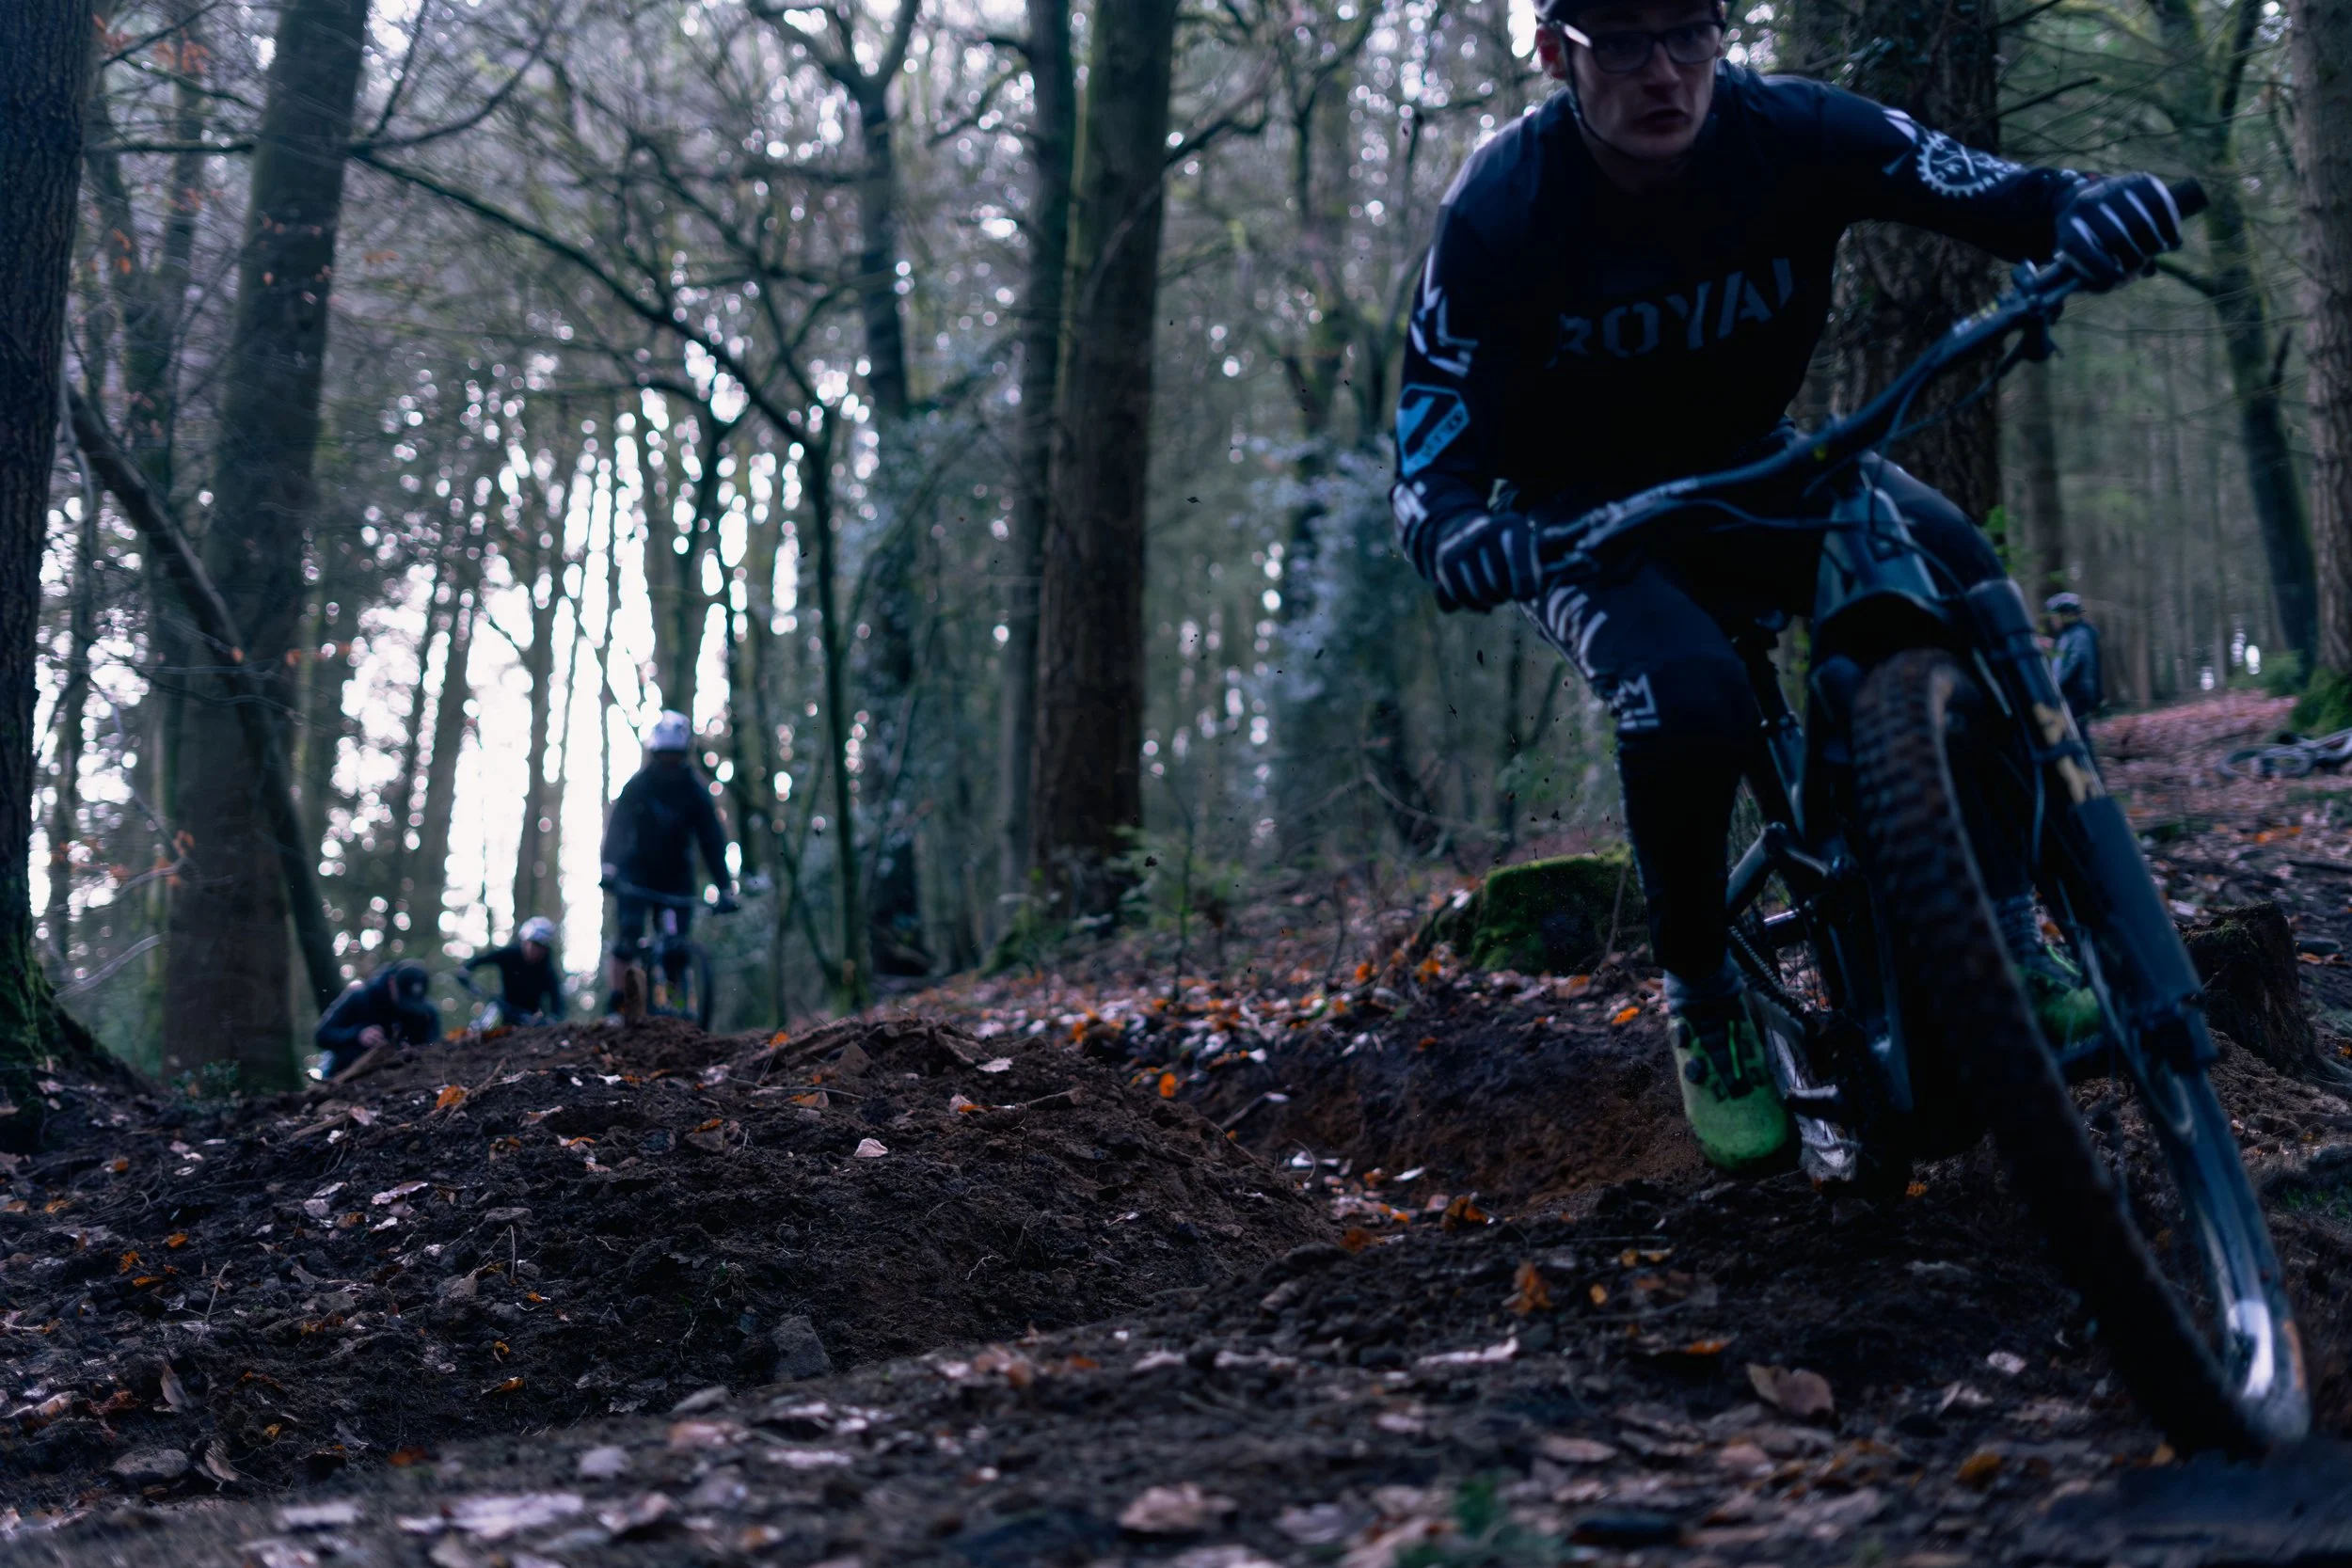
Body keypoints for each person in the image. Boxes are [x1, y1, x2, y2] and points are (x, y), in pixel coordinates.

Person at [1391, 0, 2177, 1172]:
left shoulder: (1795, 128)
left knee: (1955, 564)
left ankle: (2013, 935)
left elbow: (1985, 186)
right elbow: (1430, 433)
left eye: (1690, 33)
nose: (1665, 72)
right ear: (1555, 55)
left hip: (1765, 463)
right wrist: (1453, 527)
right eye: (1623, 43)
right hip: (1586, 519)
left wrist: (2080, 205)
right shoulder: (1504, 203)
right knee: (1689, 694)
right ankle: (1703, 994)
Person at [599, 710, 737, 1011]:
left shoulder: (695, 792)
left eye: (674, 757)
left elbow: (711, 840)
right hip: (636, 873)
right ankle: (617, 1005)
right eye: (663, 756)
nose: (669, 763)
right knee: (629, 933)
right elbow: (618, 827)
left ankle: (676, 1010)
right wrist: (609, 868)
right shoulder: (638, 785)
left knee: (676, 948)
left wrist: (725, 887)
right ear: (654, 754)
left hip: (676, 877)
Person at [314, 959, 439, 1081]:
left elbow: (434, 1045)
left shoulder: (426, 1012)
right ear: (391, 982)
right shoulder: (360, 997)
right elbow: (323, 1035)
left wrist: (413, 1050)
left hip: (402, 1077)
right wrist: (357, 1034)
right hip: (350, 1075)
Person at [462, 915, 566, 1025]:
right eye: (533, 943)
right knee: (486, 1024)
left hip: (529, 1018)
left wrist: (554, 1018)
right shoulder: (510, 955)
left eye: (540, 946)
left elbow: (557, 998)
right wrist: (466, 969)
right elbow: (483, 958)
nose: (535, 950)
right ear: (525, 941)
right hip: (502, 1009)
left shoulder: (547, 969)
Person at [2047, 592, 2106, 728]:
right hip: (2072, 696)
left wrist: (2055, 687)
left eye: (2054, 616)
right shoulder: (2069, 635)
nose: (2052, 620)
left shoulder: (2079, 634)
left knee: (2076, 736)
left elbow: (2075, 663)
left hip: (2076, 697)